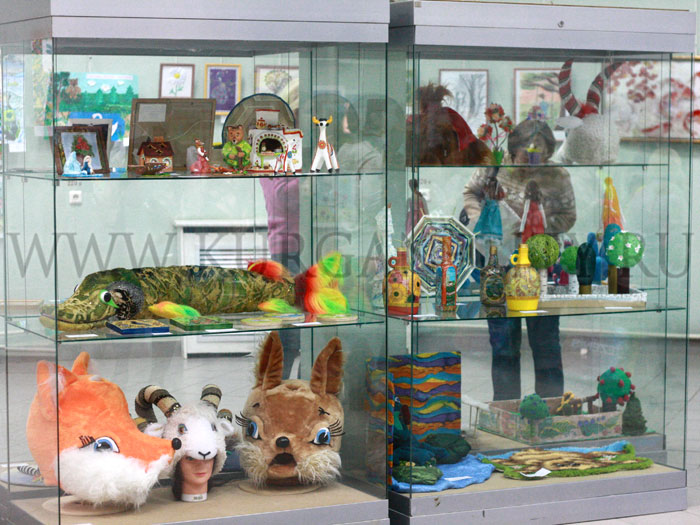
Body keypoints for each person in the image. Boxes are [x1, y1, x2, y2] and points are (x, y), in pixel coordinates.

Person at [463, 119, 576, 401]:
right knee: (503, 344)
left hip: (541, 265)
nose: (534, 163)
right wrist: (483, 223)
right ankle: (506, 411)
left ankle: (550, 410)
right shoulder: (495, 166)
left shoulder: (558, 176)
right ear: (513, 150)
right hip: (499, 262)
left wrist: (536, 226)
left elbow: (568, 216)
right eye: (528, 156)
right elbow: (471, 193)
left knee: (546, 343)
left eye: (541, 156)